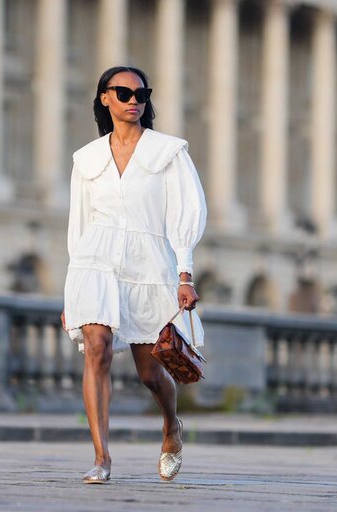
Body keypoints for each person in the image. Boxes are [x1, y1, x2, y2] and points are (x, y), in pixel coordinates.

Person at [60, 65, 207, 484]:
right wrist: (72, 297)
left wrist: (185, 274)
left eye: (141, 95)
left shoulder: (168, 151)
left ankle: (171, 427)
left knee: (150, 372)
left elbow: (186, 211)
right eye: (123, 93)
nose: (133, 102)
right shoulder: (86, 159)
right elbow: (80, 224)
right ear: (104, 97)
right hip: (95, 261)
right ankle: (102, 457)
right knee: (97, 348)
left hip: (148, 263)